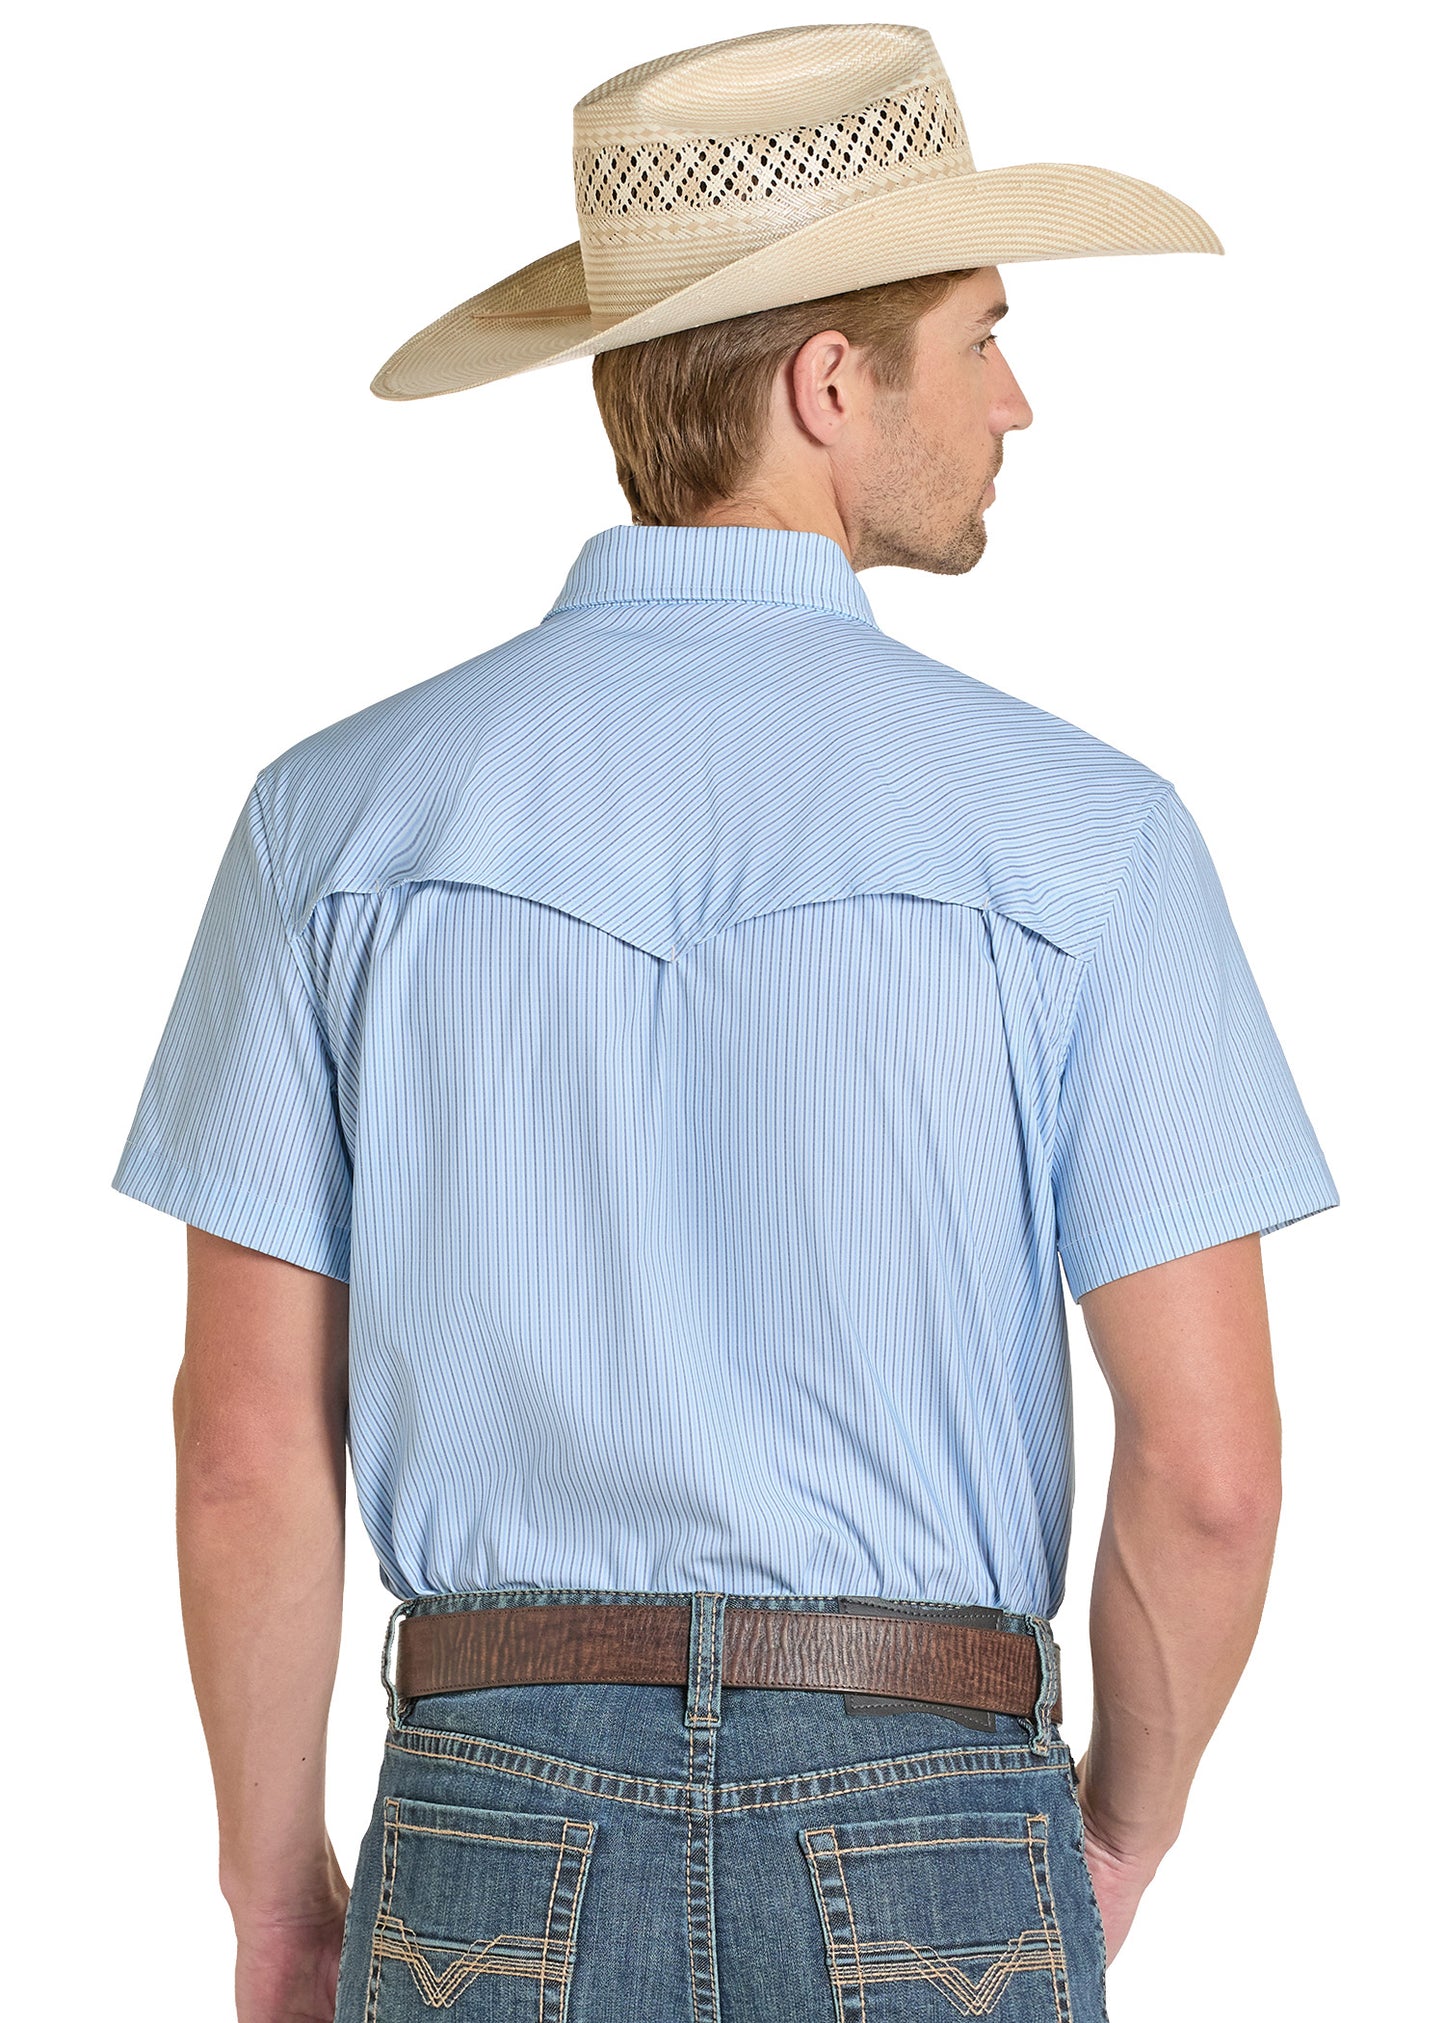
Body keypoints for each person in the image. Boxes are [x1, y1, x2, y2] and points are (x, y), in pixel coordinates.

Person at [111, 23, 1340, 2023]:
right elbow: (1211, 1474)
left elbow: (246, 1447)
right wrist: (1112, 1831)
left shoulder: (335, 820)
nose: (1018, 400)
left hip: (489, 1813)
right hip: (932, 1797)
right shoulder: (1085, 835)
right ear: (825, 384)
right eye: (979, 336)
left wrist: (273, 1893)